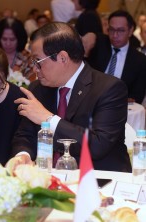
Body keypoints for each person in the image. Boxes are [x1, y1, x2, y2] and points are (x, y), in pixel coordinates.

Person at [9, 22, 131, 172]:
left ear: (63, 58)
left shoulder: (109, 88)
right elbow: (25, 135)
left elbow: (98, 145)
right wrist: (23, 155)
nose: (34, 69)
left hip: (98, 181)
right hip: (48, 180)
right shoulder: (38, 89)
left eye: (37, 61)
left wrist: (48, 119)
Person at [86, 10, 146, 104]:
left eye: (121, 30)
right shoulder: (98, 46)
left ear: (130, 31)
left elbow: (137, 96)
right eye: (111, 29)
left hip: (120, 108)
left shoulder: (140, 60)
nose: (115, 35)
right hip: (91, 102)